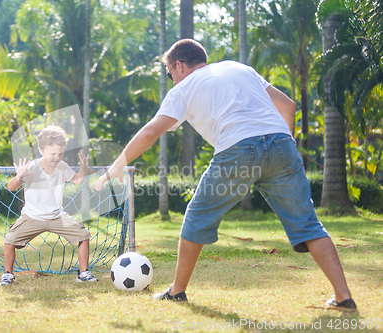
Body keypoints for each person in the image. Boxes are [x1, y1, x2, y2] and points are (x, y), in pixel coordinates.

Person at [96, 39, 356, 309]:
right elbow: (288, 106)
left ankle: (177, 291)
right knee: (309, 224)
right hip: (282, 144)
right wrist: (283, 145)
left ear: (179, 65)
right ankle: (343, 296)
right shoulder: (239, 68)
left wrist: (116, 166)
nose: (171, 79)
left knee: (197, 216)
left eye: (169, 72)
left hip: (238, 149)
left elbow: (151, 132)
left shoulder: (184, 87)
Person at [0, 125, 98, 286]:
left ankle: (83, 273)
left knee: (84, 235)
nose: (57, 157)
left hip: (56, 216)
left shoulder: (62, 166)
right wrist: (19, 176)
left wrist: (83, 170)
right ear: (41, 150)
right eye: (53, 154)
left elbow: (78, 181)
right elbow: (11, 187)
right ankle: (8, 275)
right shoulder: (32, 167)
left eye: (60, 153)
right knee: (10, 240)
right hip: (32, 217)